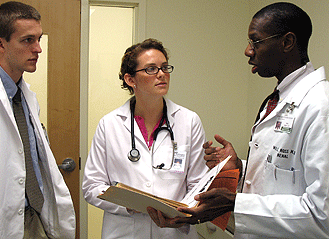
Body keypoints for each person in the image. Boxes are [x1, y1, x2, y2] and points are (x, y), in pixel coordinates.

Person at [149, 2, 329, 238]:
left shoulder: (320, 105)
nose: (248, 51)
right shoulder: (277, 100)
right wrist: (241, 168)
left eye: (255, 42)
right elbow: (280, 178)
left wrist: (234, 203)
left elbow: (322, 215)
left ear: (287, 42)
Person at [82, 38, 208, 238]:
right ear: (130, 80)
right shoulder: (109, 124)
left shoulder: (189, 121)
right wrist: (130, 205)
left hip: (173, 232)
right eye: (151, 69)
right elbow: (92, 187)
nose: (161, 74)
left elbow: (198, 183)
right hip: (124, 231)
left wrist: (183, 213)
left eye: (165, 67)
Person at [0, 2, 75, 238]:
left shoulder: (26, 97)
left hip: (36, 219)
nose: (38, 49)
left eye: (39, 39)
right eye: (28, 40)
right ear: (0, 44)